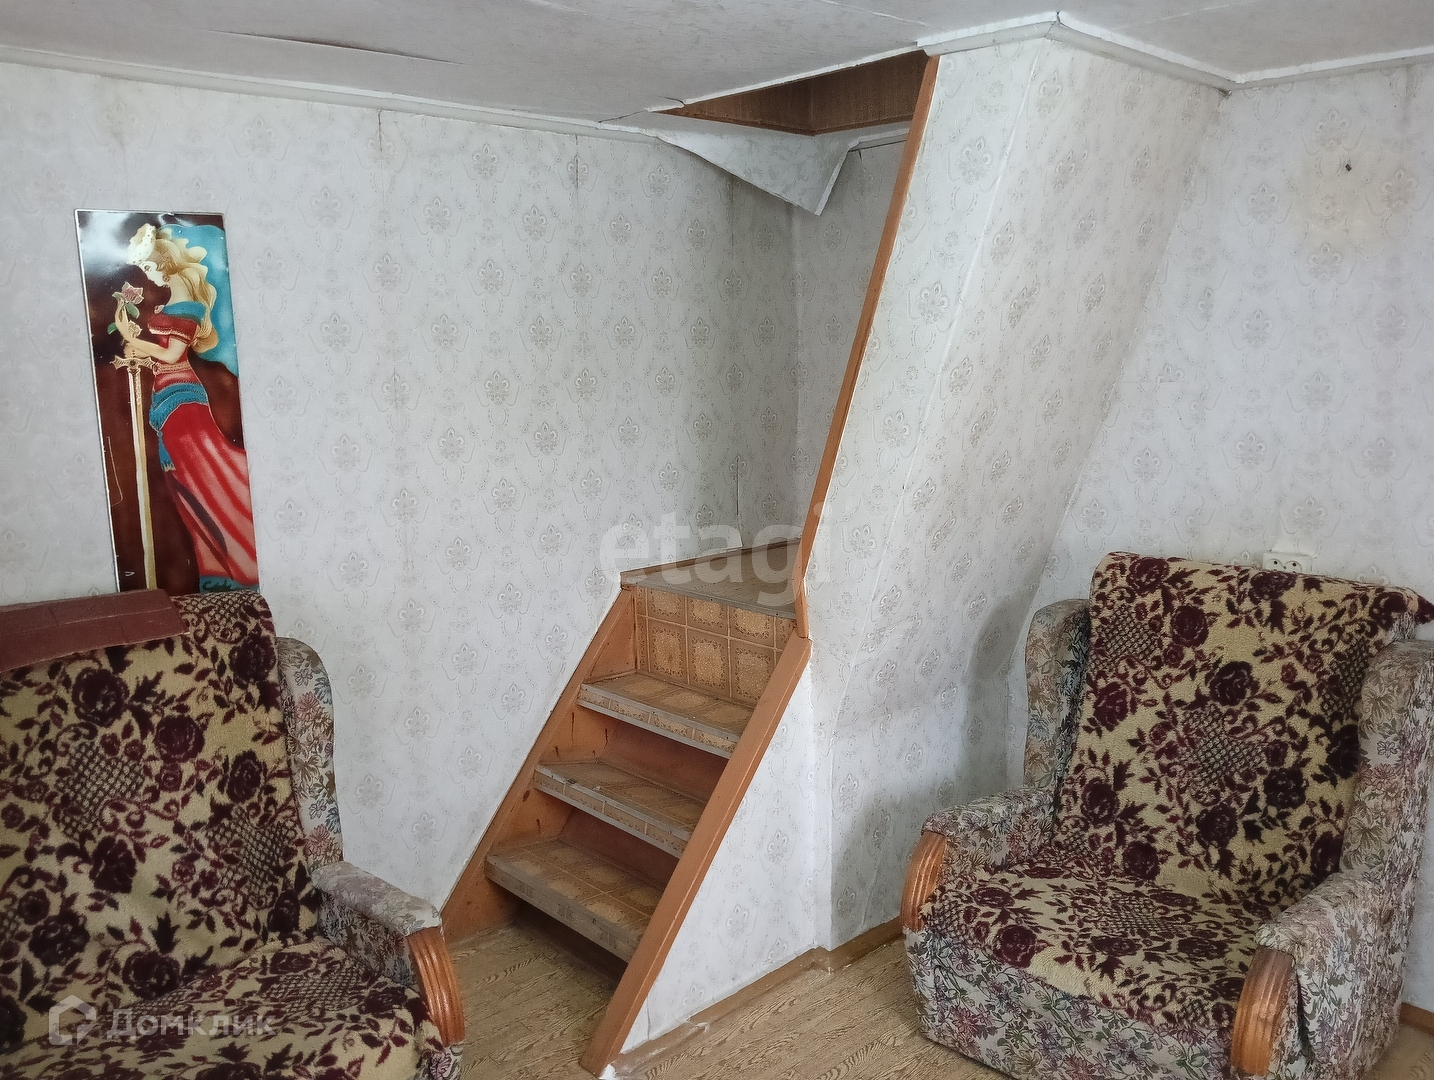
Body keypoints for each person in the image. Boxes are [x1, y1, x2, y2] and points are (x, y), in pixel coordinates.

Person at [115, 222, 259, 591]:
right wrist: (140, 354)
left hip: (182, 402)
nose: (147, 274)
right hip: (169, 393)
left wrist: (134, 339)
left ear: (161, 262)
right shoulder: (173, 303)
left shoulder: (188, 306)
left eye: (148, 266)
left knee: (197, 479)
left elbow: (172, 355)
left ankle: (235, 565)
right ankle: (215, 570)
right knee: (184, 483)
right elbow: (165, 357)